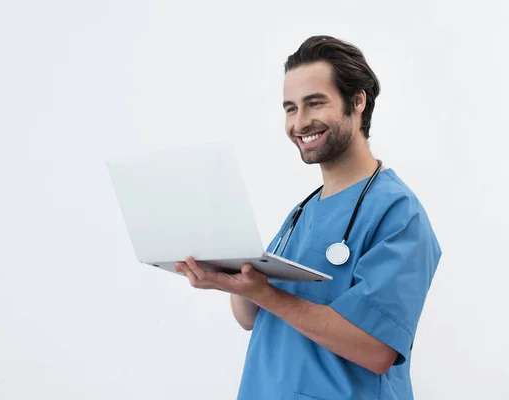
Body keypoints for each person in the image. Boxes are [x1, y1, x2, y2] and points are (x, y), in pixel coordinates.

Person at [174, 35, 441, 400]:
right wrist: (229, 277)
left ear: (357, 101)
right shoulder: (302, 212)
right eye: (289, 108)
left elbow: (377, 351)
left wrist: (265, 294)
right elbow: (252, 318)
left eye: (314, 104)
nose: (300, 123)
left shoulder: (398, 213)